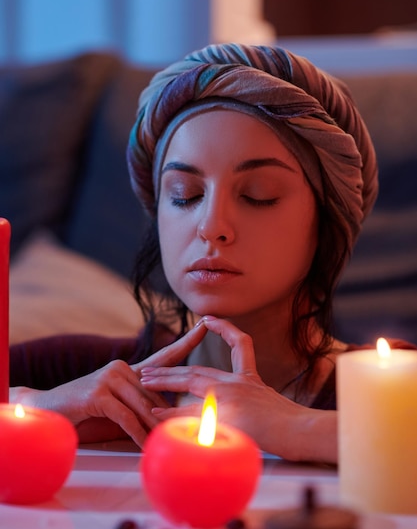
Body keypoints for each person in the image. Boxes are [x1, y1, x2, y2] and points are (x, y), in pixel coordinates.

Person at [9, 43, 413, 463]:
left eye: (259, 196)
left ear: (326, 223)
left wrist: (292, 425)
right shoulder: (85, 372)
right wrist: (35, 407)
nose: (211, 227)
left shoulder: (390, 382)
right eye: (186, 196)